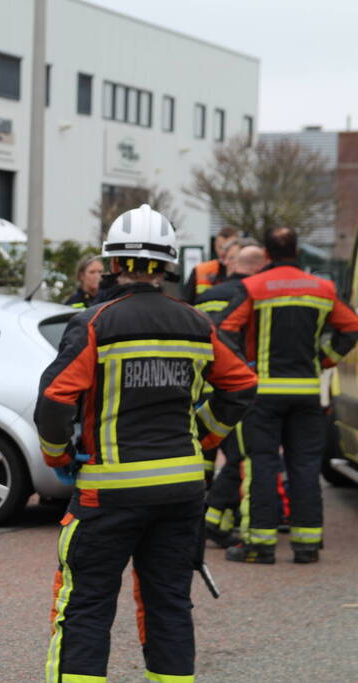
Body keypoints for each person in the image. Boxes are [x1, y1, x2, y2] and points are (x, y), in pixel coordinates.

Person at [36, 204, 257, 683]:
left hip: (107, 494)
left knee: (86, 605)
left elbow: (54, 401)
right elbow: (240, 385)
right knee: (169, 604)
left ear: (114, 263)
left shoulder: (96, 323)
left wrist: (57, 455)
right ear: (170, 264)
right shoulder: (198, 324)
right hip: (180, 493)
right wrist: (204, 436)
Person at [217, 226, 358, 564]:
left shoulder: (253, 287)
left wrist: (243, 370)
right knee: (305, 467)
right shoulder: (322, 288)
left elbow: (224, 329)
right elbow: (351, 327)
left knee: (262, 465)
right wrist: (325, 359)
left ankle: (260, 546)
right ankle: (307, 545)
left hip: (263, 394)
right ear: (298, 252)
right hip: (307, 394)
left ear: (266, 253)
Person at [195, 243, 267, 546]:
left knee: (203, 459)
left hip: (202, 388)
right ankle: (214, 519)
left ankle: (197, 519)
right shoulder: (250, 294)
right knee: (240, 457)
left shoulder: (205, 296)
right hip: (232, 390)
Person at [182, 225, 238, 304]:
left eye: (228, 248)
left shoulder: (245, 271)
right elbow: (186, 302)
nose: (223, 253)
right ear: (215, 246)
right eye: (220, 247)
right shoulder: (200, 270)